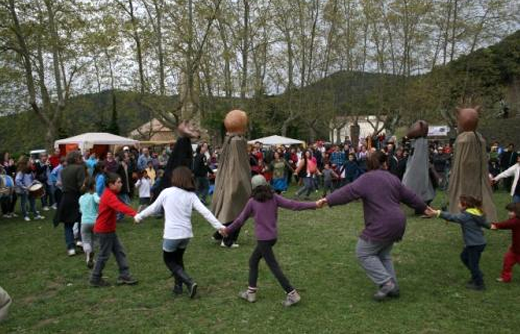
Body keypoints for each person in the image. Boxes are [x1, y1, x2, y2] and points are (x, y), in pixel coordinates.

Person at [317, 151, 429, 301]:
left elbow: (347, 192)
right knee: (383, 254)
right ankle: (393, 287)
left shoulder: (366, 179)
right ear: (385, 163)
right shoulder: (393, 179)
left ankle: (386, 283)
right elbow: (410, 196)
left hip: (383, 223)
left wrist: (328, 199)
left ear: (368, 165)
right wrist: (424, 208)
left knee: (363, 252)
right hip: (398, 221)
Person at [222, 175, 317, 307]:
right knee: (253, 261)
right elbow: (294, 205)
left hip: (263, 240)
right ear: (266, 184)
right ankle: (251, 293)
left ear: (253, 187)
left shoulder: (252, 202)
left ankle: (292, 294)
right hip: (272, 238)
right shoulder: (274, 197)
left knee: (273, 266)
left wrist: (227, 230)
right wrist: (314, 205)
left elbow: (240, 220)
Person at [135, 167, 225, 298]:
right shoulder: (191, 196)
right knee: (178, 260)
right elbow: (205, 212)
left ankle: (189, 282)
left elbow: (154, 208)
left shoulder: (166, 192)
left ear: (175, 178)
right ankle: (178, 287)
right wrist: (219, 226)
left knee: (168, 260)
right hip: (186, 235)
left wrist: (139, 217)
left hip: (172, 235)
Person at [427, 195, 490, 290]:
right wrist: (491, 227)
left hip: (474, 244)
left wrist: (437, 213)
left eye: (459, 203)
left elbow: (453, 217)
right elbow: (484, 223)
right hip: (477, 243)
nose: (458, 205)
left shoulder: (467, 215)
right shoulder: (476, 213)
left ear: (465, 206)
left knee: (473, 264)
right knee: (464, 257)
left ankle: (479, 284)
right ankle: (476, 274)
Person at [211, 110, 252, 248]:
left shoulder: (228, 140)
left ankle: (219, 234)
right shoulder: (237, 142)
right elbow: (240, 166)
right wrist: (243, 184)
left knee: (228, 207)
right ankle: (228, 240)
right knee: (237, 209)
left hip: (227, 180)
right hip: (235, 181)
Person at [448, 108, 497, 221]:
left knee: (469, 192)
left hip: (471, 175)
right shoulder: (478, 138)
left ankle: (471, 210)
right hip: (474, 174)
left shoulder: (465, 139)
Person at [90, 173, 138, 287]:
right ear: (111, 184)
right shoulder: (109, 196)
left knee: (119, 251)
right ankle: (95, 278)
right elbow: (119, 206)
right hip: (104, 231)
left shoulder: (110, 193)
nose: (121, 184)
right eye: (119, 182)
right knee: (104, 255)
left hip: (109, 230)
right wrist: (135, 214)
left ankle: (124, 275)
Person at [53, 151, 86, 256]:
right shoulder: (79, 168)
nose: (81, 159)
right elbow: (81, 186)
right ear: (76, 159)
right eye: (80, 157)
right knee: (81, 219)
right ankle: (80, 241)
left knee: (68, 224)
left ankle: (71, 248)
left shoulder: (63, 171)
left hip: (65, 197)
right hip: (77, 197)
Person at [490, 203, 520, 283]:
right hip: (515, 249)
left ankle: (506, 278)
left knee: (508, 261)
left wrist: (493, 225)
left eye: (511, 211)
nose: (509, 213)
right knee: (507, 262)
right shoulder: (515, 220)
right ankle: (506, 278)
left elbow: (505, 224)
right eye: (509, 211)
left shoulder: (516, 221)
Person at [79, 177, 100, 269]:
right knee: (94, 240)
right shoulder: (94, 195)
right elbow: (99, 201)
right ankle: (90, 257)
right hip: (95, 222)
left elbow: (80, 210)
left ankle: (88, 253)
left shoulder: (81, 198)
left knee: (86, 240)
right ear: (94, 186)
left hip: (84, 222)